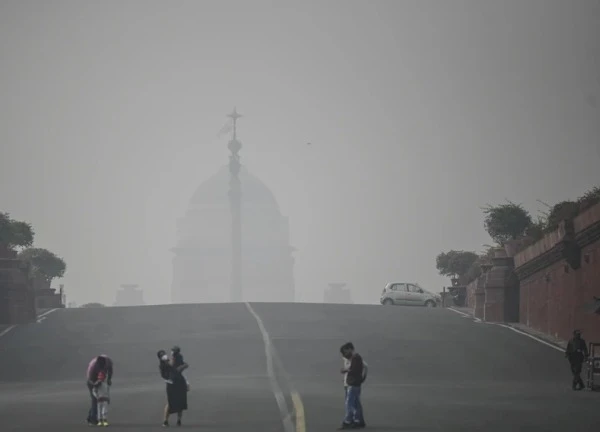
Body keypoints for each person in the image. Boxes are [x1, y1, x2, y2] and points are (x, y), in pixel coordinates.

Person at [158, 348, 189, 427]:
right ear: (160, 357)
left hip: (180, 384)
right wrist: (174, 359)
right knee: (170, 402)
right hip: (171, 385)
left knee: (181, 402)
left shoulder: (175, 360)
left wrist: (187, 383)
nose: (164, 356)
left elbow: (184, 369)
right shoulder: (162, 365)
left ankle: (179, 420)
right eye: (162, 355)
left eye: (164, 354)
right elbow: (171, 367)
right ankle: (165, 421)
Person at [339, 342, 365, 429]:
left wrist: (346, 370)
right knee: (355, 403)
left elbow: (354, 370)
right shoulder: (352, 358)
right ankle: (358, 420)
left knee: (349, 403)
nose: (345, 355)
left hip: (353, 384)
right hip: (353, 383)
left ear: (350, 349)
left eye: (345, 352)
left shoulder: (356, 358)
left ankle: (348, 421)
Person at [86, 355, 113, 426]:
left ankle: (91, 417)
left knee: (99, 400)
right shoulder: (92, 367)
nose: (102, 369)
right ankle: (93, 420)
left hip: (101, 380)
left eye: (103, 367)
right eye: (100, 368)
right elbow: (89, 380)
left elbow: (110, 370)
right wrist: (95, 384)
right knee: (95, 399)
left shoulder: (108, 361)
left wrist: (109, 379)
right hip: (92, 381)